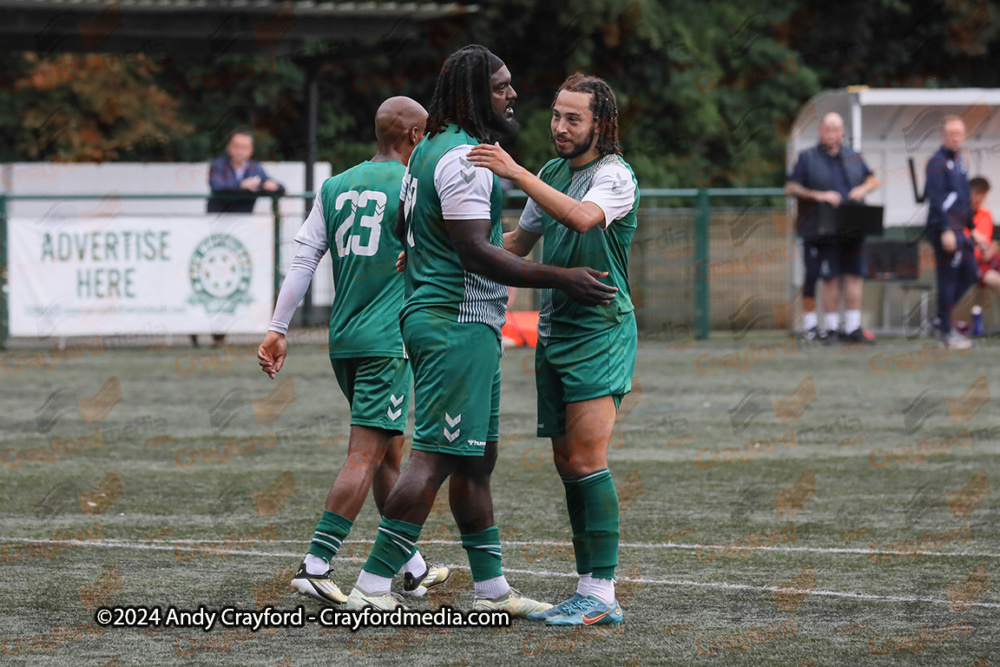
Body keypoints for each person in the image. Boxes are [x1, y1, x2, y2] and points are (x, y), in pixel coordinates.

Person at [345, 45, 616, 615]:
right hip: (455, 323)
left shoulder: (428, 150)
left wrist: (420, 252)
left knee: (476, 458)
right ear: (473, 94)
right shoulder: (467, 156)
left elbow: (406, 222)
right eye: (500, 86)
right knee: (434, 457)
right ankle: (370, 589)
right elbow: (474, 251)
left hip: (450, 319)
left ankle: (491, 589)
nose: (512, 95)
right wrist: (560, 276)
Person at [257, 97, 450, 604]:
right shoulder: (413, 187)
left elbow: (304, 260)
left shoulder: (335, 185)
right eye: (426, 135)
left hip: (343, 340)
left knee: (389, 454)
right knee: (365, 454)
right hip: (390, 341)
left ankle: (411, 566)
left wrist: (278, 327)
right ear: (412, 137)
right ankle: (316, 563)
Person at [468, 73, 637, 627]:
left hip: (601, 331)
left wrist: (514, 172)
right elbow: (517, 243)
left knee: (588, 459)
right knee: (567, 463)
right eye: (556, 115)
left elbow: (583, 217)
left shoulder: (615, 176)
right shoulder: (552, 172)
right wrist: (446, 255)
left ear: (600, 124)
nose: (559, 127)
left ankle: (602, 593)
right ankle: (590, 588)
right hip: (555, 330)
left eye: (573, 118)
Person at [785, 112, 880, 344]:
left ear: (842, 132)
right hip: (822, 228)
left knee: (854, 276)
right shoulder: (808, 157)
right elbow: (791, 187)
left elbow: (873, 179)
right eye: (827, 130)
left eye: (836, 130)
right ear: (821, 131)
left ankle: (853, 327)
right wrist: (819, 195)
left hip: (853, 225)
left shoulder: (852, 155)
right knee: (829, 277)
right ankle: (830, 328)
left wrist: (862, 190)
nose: (832, 135)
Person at [200, 128, 285, 346]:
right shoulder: (218, 165)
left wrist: (271, 186)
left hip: (243, 234)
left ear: (250, 150)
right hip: (217, 231)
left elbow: (280, 188)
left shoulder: (255, 168)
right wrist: (241, 186)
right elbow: (217, 186)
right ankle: (208, 328)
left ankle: (235, 328)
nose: (240, 151)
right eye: (237, 146)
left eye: (245, 147)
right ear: (230, 148)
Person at [924, 116, 979, 349]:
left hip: (960, 230)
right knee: (947, 279)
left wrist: (972, 228)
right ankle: (947, 331)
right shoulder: (937, 162)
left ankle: (940, 318)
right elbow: (936, 200)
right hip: (943, 230)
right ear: (943, 137)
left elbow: (963, 198)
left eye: (959, 134)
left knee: (971, 273)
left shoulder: (961, 162)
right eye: (951, 134)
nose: (955, 139)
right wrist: (945, 229)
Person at [966, 177, 1000, 295]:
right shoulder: (958, 214)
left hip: (990, 260)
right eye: (976, 193)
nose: (979, 198)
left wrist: (992, 249)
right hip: (970, 265)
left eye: (983, 194)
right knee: (996, 280)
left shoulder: (986, 214)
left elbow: (994, 242)